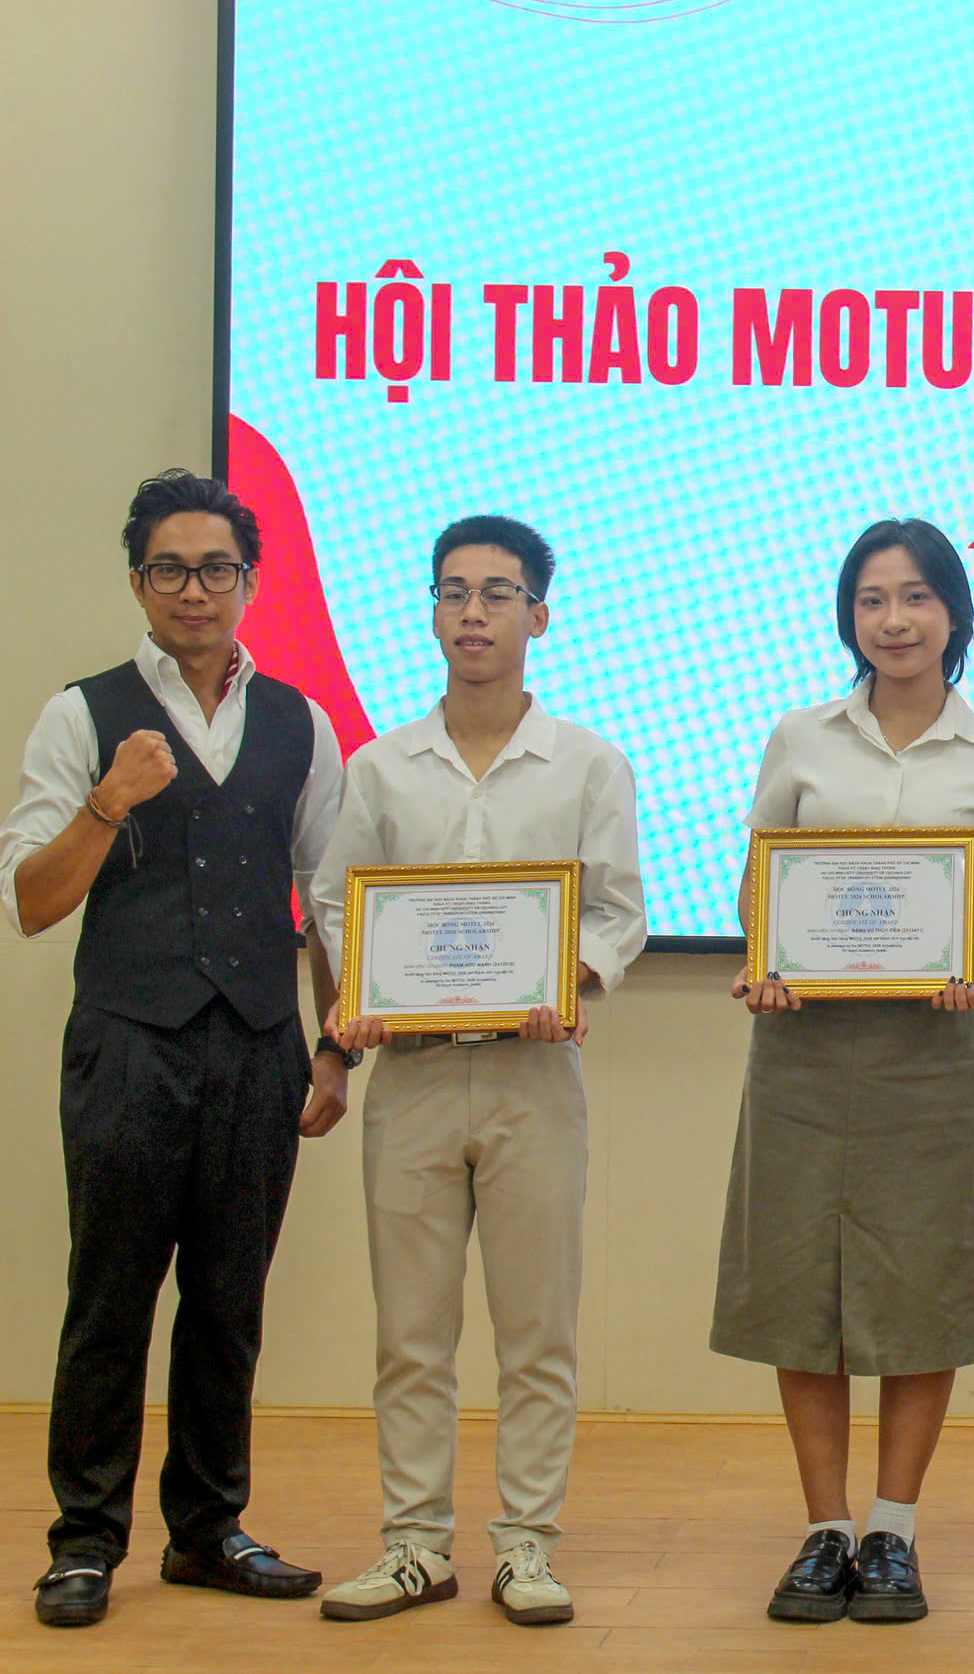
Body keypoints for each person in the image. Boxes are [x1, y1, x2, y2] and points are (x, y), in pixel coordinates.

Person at [5, 470, 346, 1628]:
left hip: (259, 1046)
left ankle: (206, 1529)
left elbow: (329, 899)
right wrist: (108, 803)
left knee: (228, 1302)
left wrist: (334, 1047)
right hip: (127, 1047)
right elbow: (33, 902)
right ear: (137, 581)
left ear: (249, 581)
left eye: (214, 569)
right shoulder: (82, 714)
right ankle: (83, 1542)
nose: (193, 590)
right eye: (169, 569)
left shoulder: (300, 722)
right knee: (109, 1301)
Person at [311, 516, 646, 1628]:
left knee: (537, 1330)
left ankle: (527, 1546)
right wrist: (361, 989)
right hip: (409, 1075)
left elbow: (617, 913)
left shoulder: (589, 763)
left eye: (497, 593)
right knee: (410, 1333)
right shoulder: (380, 765)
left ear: (537, 615)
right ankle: (414, 1545)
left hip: (531, 1077)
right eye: (452, 592)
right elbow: (333, 901)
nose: (472, 613)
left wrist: (573, 980)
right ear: (433, 612)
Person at [711, 518, 974, 1626]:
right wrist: (765, 959)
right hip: (801, 1049)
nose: (893, 621)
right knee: (799, 1284)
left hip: (928, 1056)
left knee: (916, 1288)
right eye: (870, 600)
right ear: (849, 617)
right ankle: (825, 1531)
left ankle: (894, 1531)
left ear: (954, 612)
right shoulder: (801, 737)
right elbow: (761, 889)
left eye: (915, 597)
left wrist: (970, 961)